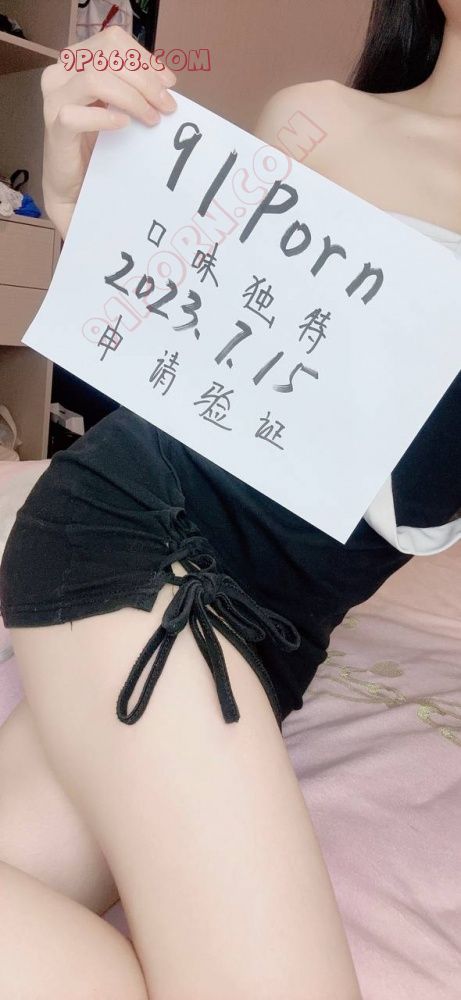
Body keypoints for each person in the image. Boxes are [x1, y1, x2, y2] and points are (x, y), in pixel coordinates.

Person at [0, 2, 459, 997]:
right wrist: (84, 198)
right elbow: (180, 329)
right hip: (144, 536)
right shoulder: (323, 122)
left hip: (275, 636)